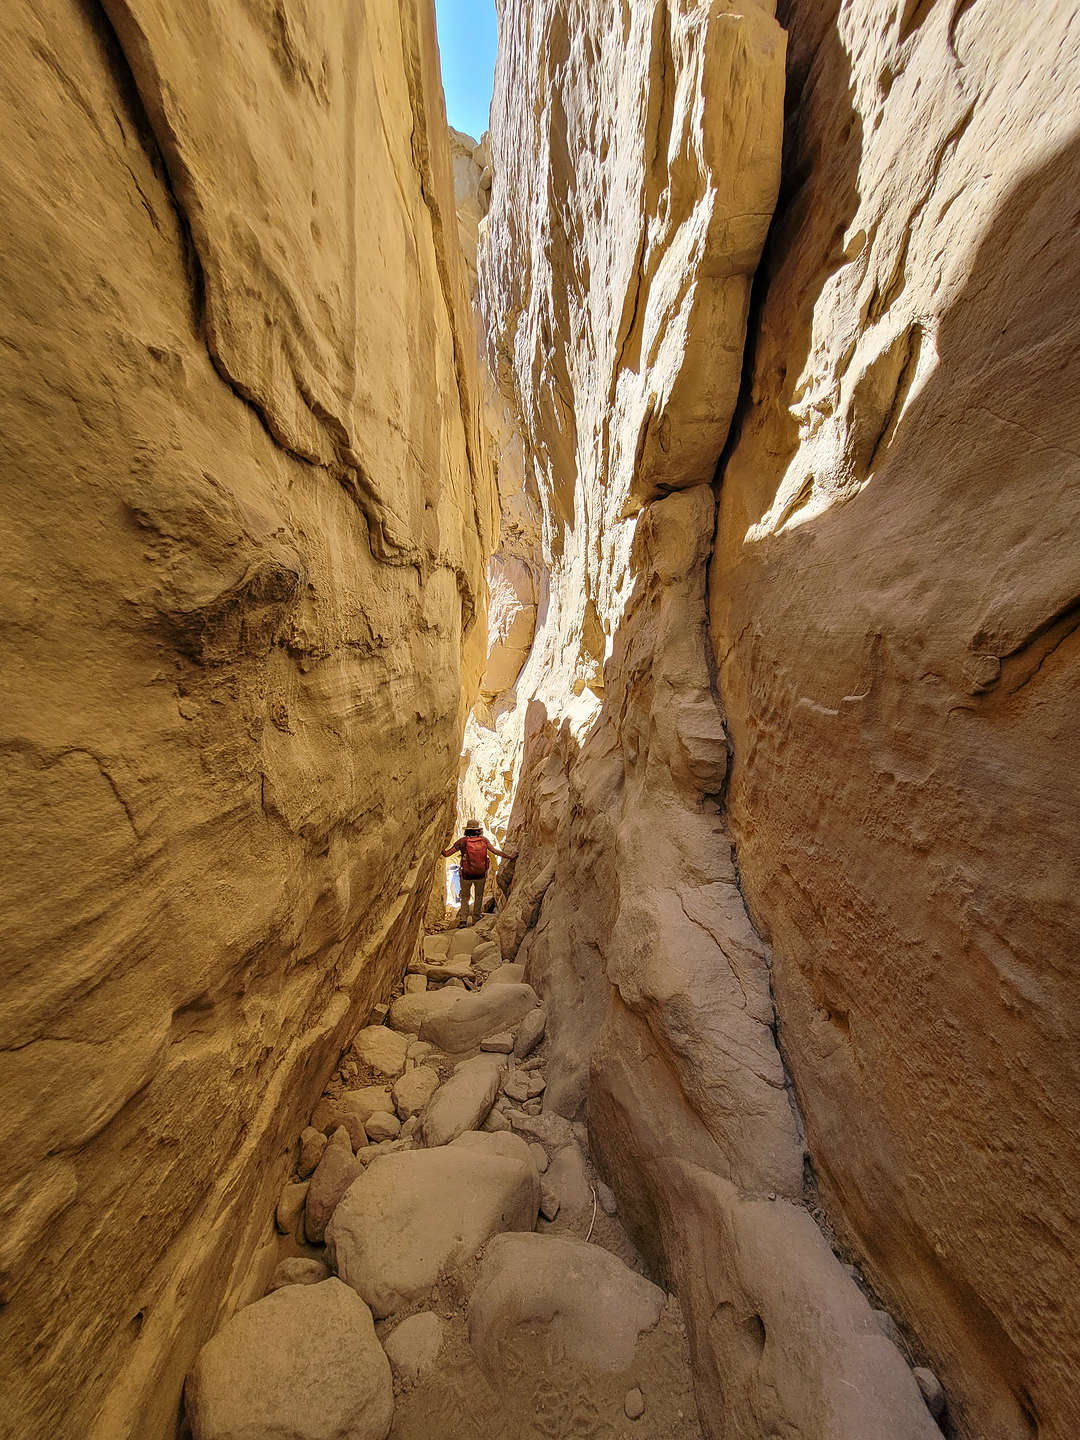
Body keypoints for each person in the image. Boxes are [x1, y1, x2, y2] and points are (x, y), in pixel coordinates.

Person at [441, 819, 515, 928]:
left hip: (466, 875)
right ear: (478, 830)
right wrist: (510, 856)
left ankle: (463, 920)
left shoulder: (462, 841)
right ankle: (476, 918)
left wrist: (439, 845)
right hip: (480, 874)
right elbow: (495, 852)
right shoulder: (484, 841)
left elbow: (447, 854)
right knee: (479, 896)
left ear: (467, 830)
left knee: (465, 897)